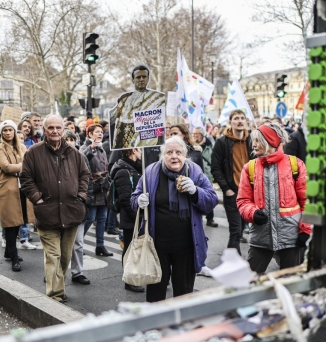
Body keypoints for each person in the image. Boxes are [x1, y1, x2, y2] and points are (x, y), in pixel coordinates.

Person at [131, 136, 218, 302]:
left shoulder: (195, 171)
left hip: (186, 246)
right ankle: (156, 326)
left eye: (178, 152)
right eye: (169, 152)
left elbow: (211, 200)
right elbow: (134, 198)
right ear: (163, 155)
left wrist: (196, 191)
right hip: (157, 246)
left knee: (183, 294)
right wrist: (139, 201)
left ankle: (181, 326)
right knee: (156, 294)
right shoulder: (150, 171)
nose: (174, 156)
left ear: (185, 155)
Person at [20, 114, 91, 303]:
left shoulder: (74, 153)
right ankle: (55, 294)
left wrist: (81, 195)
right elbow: (25, 179)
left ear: (63, 129)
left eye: (58, 128)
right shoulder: (33, 152)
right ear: (44, 130)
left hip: (71, 212)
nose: (55, 131)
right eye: (51, 128)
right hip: (47, 213)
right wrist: (38, 199)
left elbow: (85, 175)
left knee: (65, 256)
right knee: (53, 255)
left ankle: (57, 283)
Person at [236, 124, 311, 273]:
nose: (254, 144)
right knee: (250, 283)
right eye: (254, 140)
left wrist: (306, 229)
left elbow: (307, 201)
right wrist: (252, 213)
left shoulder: (295, 164)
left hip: (291, 236)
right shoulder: (249, 168)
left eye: (258, 140)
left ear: (271, 141)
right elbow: (243, 201)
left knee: (289, 286)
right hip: (261, 237)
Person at [211, 110, 254, 254]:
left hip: (250, 193)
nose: (240, 121)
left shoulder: (252, 140)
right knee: (235, 231)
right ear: (230, 122)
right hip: (233, 192)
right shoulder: (222, 143)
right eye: (236, 118)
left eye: (242, 118)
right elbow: (215, 168)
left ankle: (231, 260)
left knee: (241, 228)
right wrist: (226, 189)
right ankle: (234, 264)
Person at [0, 120, 35, 271]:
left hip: (21, 188)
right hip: (7, 189)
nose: (7, 133)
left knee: (19, 220)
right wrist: (23, 166)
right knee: (11, 223)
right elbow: (6, 167)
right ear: (2, 133)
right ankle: (14, 256)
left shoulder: (22, 147)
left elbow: (29, 165)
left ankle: (8, 251)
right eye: (4, 130)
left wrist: (21, 167)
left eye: (10, 130)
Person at [110, 147, 144, 292]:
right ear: (134, 151)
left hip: (138, 215)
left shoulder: (135, 168)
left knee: (139, 248)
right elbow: (125, 199)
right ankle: (130, 280)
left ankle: (138, 276)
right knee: (131, 249)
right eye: (140, 150)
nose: (142, 153)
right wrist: (137, 216)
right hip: (131, 217)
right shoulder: (123, 170)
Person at [64, 131, 94, 286]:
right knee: (58, 244)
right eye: (66, 139)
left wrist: (86, 199)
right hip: (60, 207)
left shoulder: (81, 157)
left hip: (78, 206)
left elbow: (88, 179)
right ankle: (55, 271)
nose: (69, 142)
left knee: (78, 243)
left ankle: (77, 272)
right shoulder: (54, 157)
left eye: (71, 139)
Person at [110, 65, 166, 149]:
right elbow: (112, 119)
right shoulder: (124, 99)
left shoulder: (158, 98)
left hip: (149, 143)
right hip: (126, 146)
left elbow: (160, 126)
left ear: (148, 78)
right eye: (138, 77)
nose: (141, 79)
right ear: (133, 80)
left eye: (144, 77)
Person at [79, 123, 114, 257]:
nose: (100, 134)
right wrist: (90, 148)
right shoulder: (85, 147)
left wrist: (107, 178)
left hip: (103, 188)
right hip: (92, 189)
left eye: (101, 132)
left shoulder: (102, 149)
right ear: (90, 134)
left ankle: (100, 246)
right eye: (97, 132)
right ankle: (77, 243)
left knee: (102, 219)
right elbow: (82, 160)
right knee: (90, 218)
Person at [192, 127, 217, 227]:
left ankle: (210, 219)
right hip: (196, 175)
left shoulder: (210, 146)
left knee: (208, 196)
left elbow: (215, 160)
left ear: (201, 135)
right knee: (197, 196)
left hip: (207, 175)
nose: (194, 136)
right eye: (193, 134)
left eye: (196, 134)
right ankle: (197, 219)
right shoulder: (192, 146)